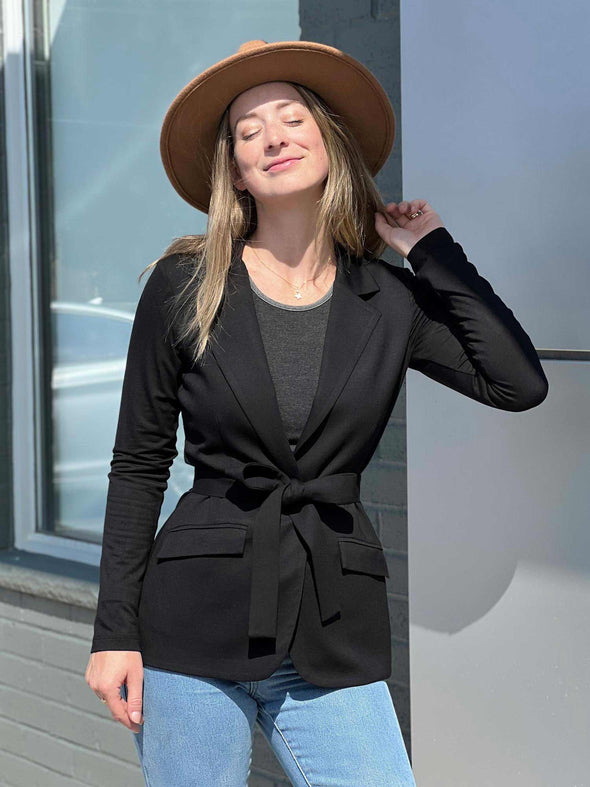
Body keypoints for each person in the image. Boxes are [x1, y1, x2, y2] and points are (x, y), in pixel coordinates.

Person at [85, 39, 548, 786]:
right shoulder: (184, 285)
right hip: (191, 624)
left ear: (327, 141)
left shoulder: (388, 299)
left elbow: (517, 382)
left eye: (292, 117)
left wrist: (431, 250)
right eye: (248, 129)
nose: (273, 137)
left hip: (333, 627)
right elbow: (138, 465)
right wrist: (114, 632)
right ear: (234, 168)